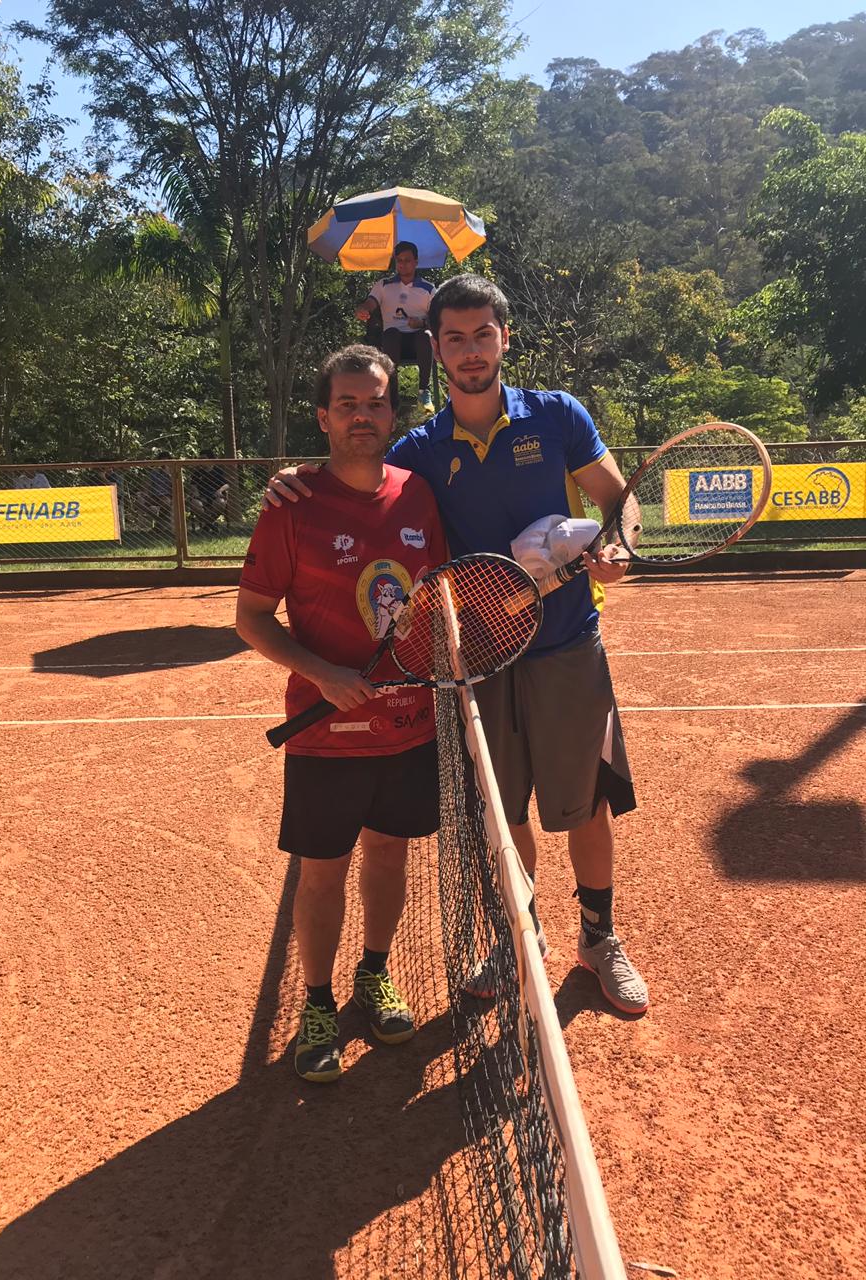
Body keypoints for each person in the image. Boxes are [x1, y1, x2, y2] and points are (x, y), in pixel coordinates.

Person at [266, 276, 649, 1016]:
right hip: (480, 660)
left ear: (504, 338)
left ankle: (598, 937)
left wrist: (620, 545)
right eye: (454, 338)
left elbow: (617, 500)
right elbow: (356, 476)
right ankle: (520, 938)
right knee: (503, 814)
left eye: (482, 335)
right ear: (435, 349)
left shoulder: (558, 416)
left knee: (586, 804)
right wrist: (293, 480)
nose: (471, 351)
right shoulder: (418, 450)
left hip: (568, 646)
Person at [236, 344, 447, 1082]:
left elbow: (441, 600)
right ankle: (319, 1002)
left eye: (375, 403)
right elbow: (252, 619)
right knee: (322, 873)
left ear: (392, 414)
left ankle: (375, 972)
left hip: (408, 727)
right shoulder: (291, 507)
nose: (363, 416)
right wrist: (323, 675)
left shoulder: (420, 496)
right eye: (348, 404)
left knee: (389, 855)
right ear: (323, 417)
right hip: (324, 736)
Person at [355, 241, 436, 415]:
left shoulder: (428, 289)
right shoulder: (384, 285)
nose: (403, 264)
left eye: (407, 260)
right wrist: (364, 309)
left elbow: (437, 319)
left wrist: (421, 323)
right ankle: (391, 391)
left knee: (425, 335)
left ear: (416, 262)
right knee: (391, 334)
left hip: (419, 345)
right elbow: (371, 302)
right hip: (392, 344)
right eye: (399, 260)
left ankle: (424, 391)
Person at [188, 452, 229, 531]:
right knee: (195, 504)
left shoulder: (218, 471)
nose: (201, 460)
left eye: (203, 458)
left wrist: (220, 491)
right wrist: (195, 492)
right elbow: (193, 485)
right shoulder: (197, 473)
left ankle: (207, 524)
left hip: (215, 496)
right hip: (201, 497)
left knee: (221, 503)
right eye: (200, 459)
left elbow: (227, 484)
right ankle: (210, 524)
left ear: (210, 459)